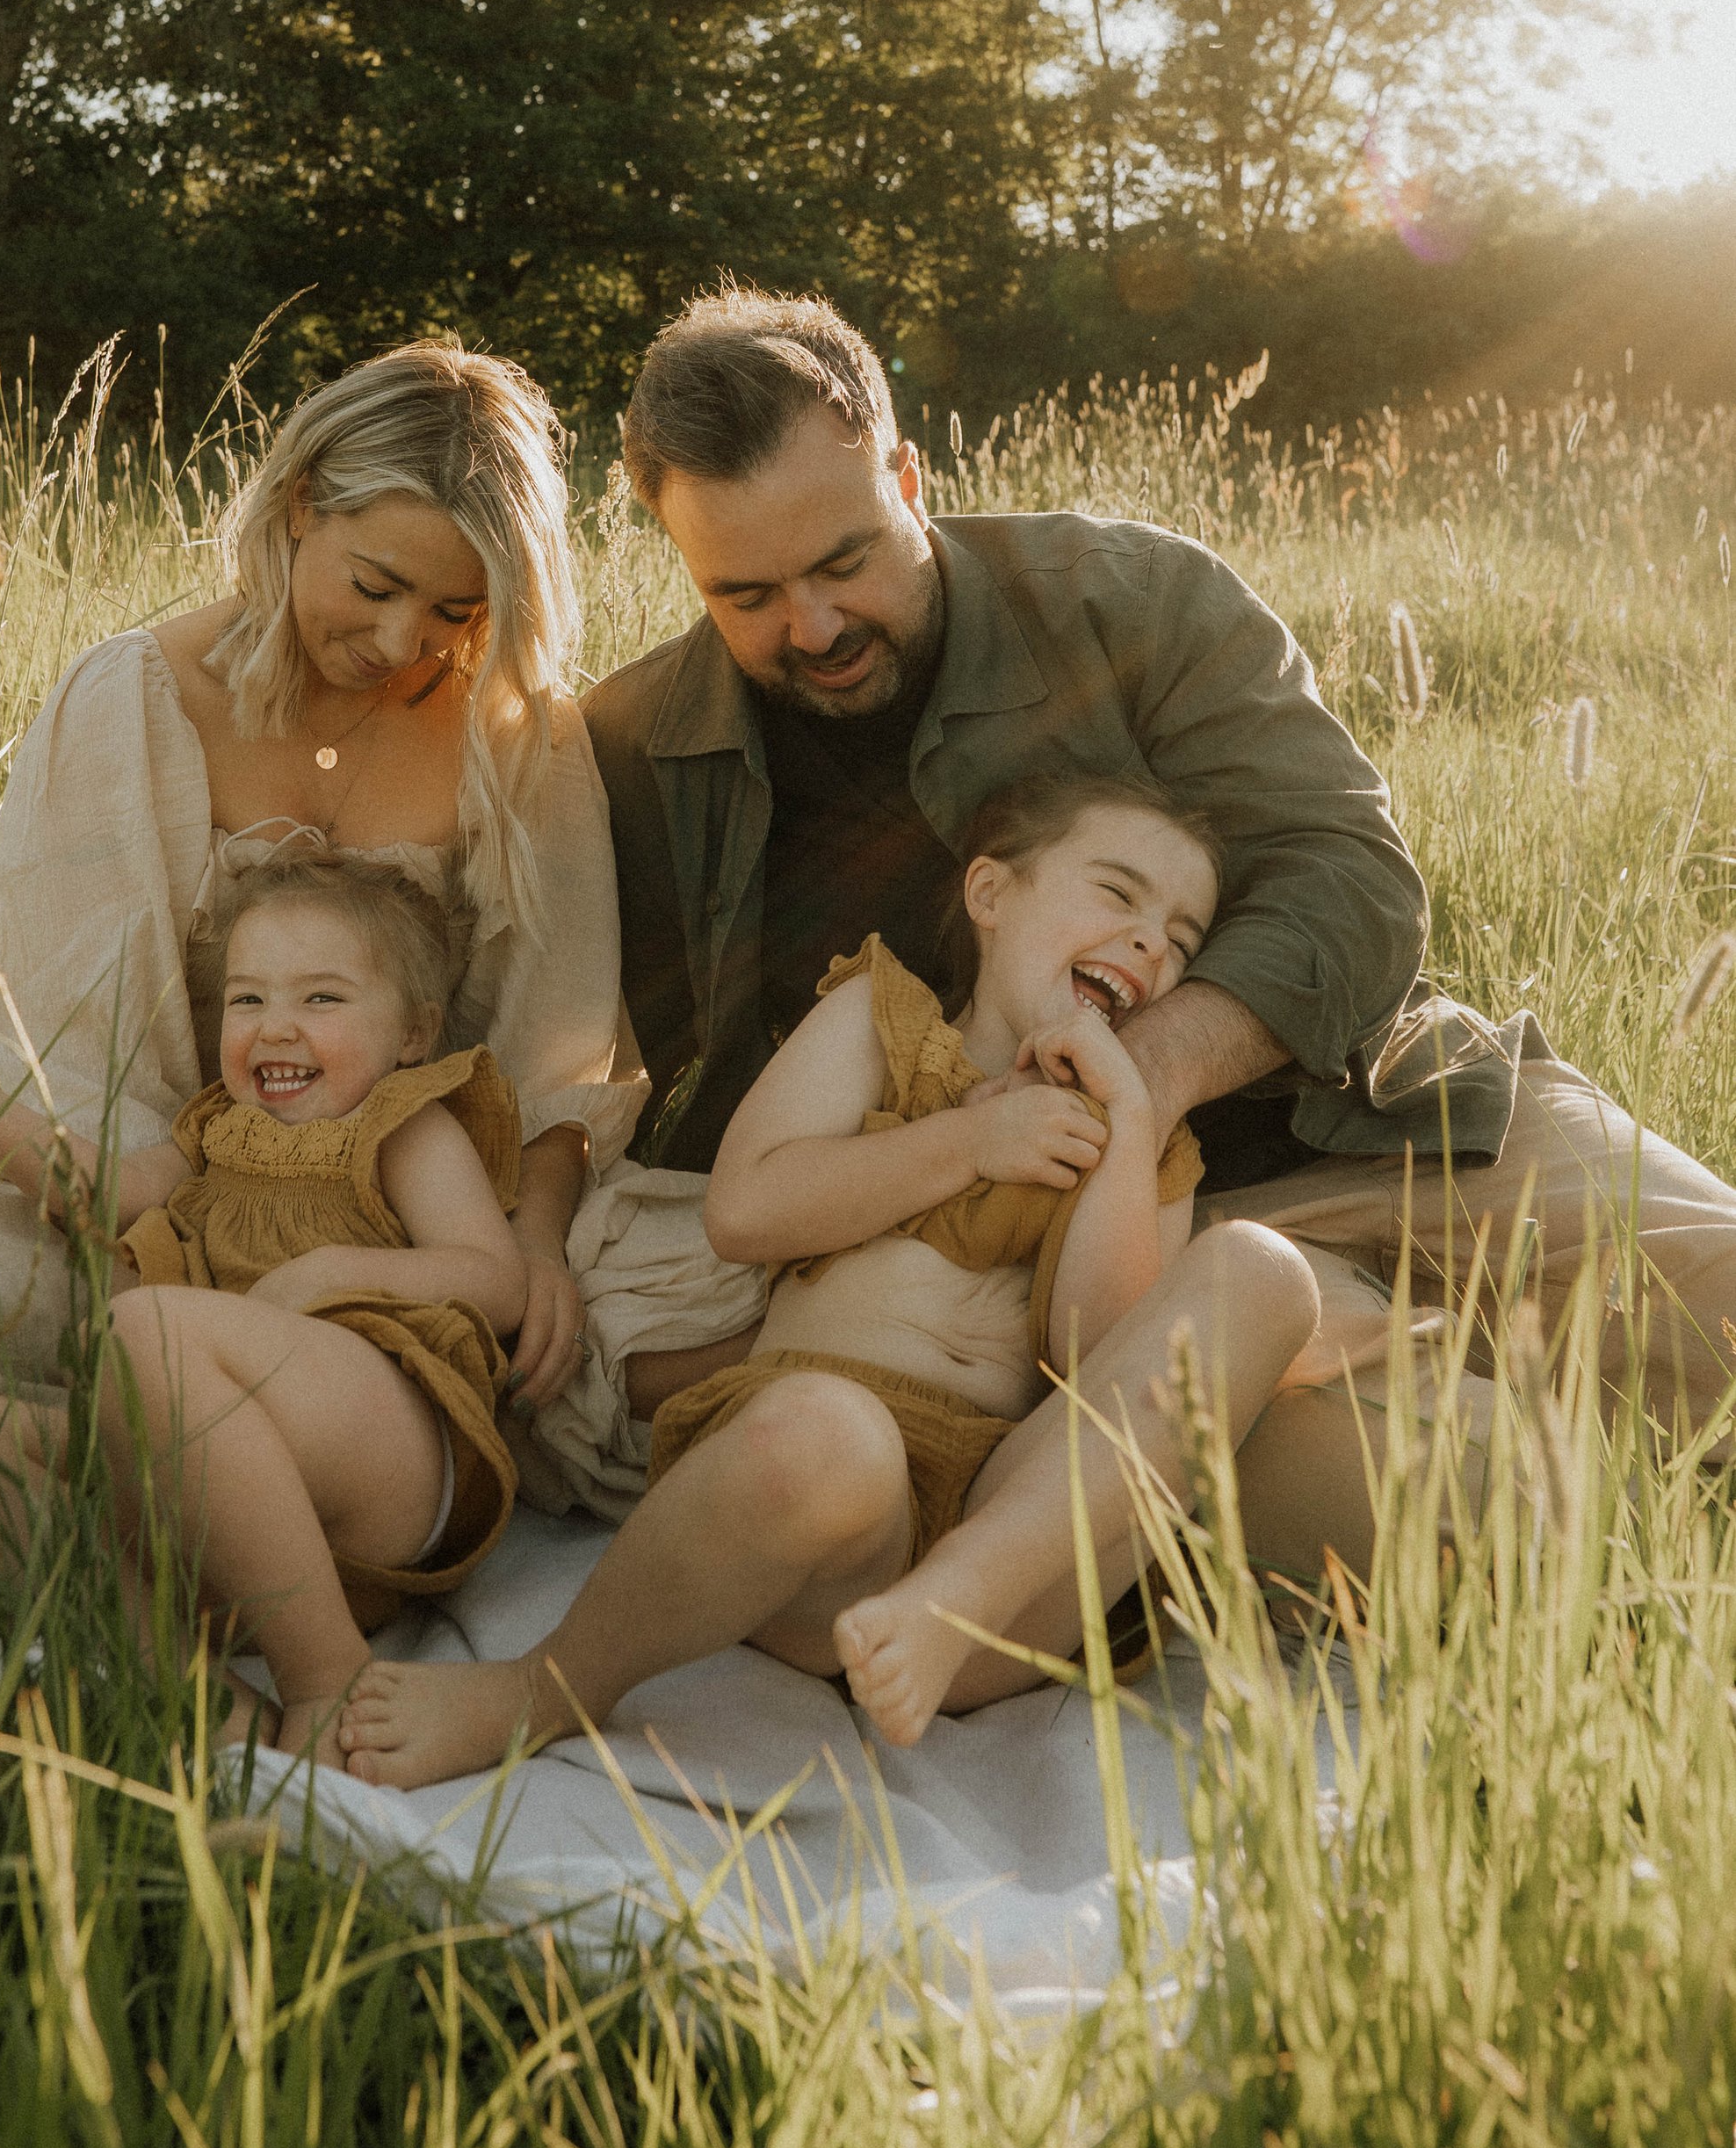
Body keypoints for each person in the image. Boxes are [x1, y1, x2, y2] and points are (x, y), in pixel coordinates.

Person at [577, 288, 1736, 1577]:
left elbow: (1352, 876)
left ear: (908, 473)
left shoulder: (1130, 598)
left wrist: (1151, 1074)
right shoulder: (644, 750)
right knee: (1506, 1509)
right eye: (746, 592)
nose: (813, 625)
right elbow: (685, 1114)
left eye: (845, 561)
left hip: (1378, 1107)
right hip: (1097, 1281)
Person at [0, 342, 757, 1505]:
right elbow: (80, 1059)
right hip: (156, 1192)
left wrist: (532, 1244)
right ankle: (199, 1461)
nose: (405, 642)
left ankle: (203, 1468)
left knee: (710, 1290)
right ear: (301, 505)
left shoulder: (520, 733)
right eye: (374, 585)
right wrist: (199, 1245)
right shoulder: (131, 702)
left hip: (441, 1193)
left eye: (455, 609)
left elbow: (558, 1051)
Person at [338, 774, 1322, 1785]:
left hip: (1013, 1560)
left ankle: (954, 1594)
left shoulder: (1143, 1140)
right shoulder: (882, 1020)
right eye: (1117, 896)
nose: (1152, 943)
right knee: (828, 1433)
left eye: (1182, 937)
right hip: (820, 1531)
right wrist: (972, 1140)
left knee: (1261, 1270)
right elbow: (748, 1210)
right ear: (990, 896)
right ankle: (542, 1691)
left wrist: (1127, 1132)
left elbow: (1096, 1371)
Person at [0, 850, 531, 1754]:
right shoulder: (210, 1133)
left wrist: (328, 1274)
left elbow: (496, 1280)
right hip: (213, 1520)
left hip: (381, 1461)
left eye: (322, 1000)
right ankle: (193, 1695)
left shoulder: (403, 1125)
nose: (275, 1028)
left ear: (413, 1034)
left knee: (144, 1328)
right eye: (248, 999)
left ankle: (328, 1682)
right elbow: (95, 1189)